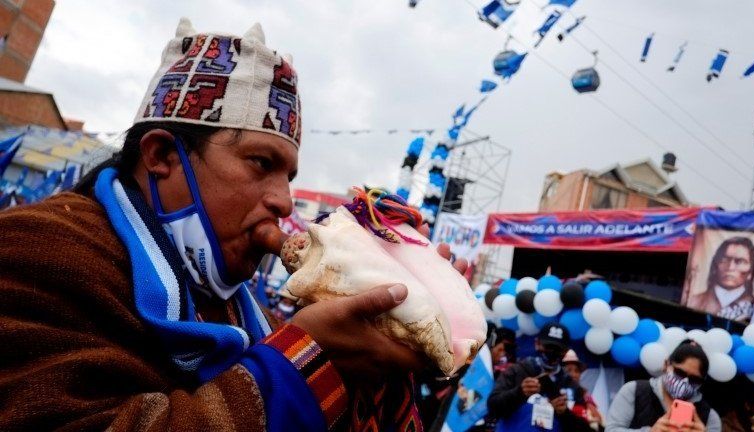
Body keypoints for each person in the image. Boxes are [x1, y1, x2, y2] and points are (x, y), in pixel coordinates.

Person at [0, 19, 469, 431]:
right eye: (261, 163)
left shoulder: (241, 310)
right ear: (162, 156)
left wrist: (394, 340)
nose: (285, 202)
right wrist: (300, 368)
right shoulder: (32, 251)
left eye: (289, 177)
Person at [487, 323, 593, 431]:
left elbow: (585, 428)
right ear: (537, 344)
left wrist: (564, 413)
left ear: (565, 351)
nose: (552, 352)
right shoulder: (517, 371)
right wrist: (520, 393)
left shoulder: (571, 385)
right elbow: (493, 407)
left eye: (558, 349)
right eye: (548, 346)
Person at [605, 340, 722, 432]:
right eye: (679, 373)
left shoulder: (710, 417)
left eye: (694, 379)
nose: (685, 382)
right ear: (666, 364)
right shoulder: (634, 391)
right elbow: (611, 429)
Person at [687, 237, 754, 321]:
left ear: (750, 271)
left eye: (739, 261)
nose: (730, 267)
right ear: (715, 265)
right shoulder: (694, 301)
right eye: (724, 260)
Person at [563, 349, 604, 430]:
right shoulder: (555, 393)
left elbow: (598, 419)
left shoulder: (585, 395)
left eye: (577, 371)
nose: (573, 374)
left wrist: (587, 421)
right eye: (569, 370)